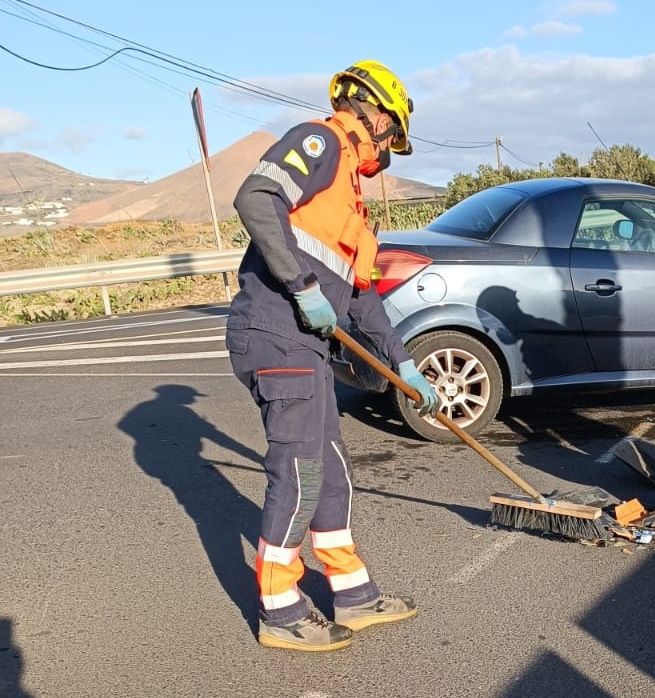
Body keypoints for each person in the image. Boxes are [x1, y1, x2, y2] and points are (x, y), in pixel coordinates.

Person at [226, 59, 440, 651]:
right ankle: (280, 608)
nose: (388, 150)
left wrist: (402, 365)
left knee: (333, 473)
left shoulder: (352, 204)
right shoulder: (319, 141)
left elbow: (365, 302)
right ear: (372, 113)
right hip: (273, 331)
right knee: (300, 470)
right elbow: (256, 196)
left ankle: (353, 595)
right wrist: (300, 284)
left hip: (307, 347)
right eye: (391, 135)